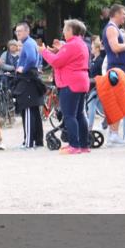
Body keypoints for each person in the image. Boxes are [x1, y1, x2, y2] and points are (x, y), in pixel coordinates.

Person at [39, 20, 91, 154]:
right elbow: (66, 57)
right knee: (80, 115)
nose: (63, 31)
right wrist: (59, 49)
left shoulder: (71, 45)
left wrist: (44, 51)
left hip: (70, 82)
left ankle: (74, 145)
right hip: (81, 81)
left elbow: (56, 62)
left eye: (65, 29)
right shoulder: (81, 43)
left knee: (69, 115)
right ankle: (84, 145)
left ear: (71, 31)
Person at [102, 4, 125, 146]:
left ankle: (113, 134)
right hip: (116, 68)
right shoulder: (111, 28)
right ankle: (114, 135)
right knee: (118, 101)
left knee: (119, 101)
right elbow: (115, 47)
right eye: (123, 13)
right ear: (115, 14)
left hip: (118, 67)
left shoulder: (113, 28)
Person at [14, 22, 45, 149]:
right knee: (34, 111)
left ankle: (29, 142)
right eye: (16, 31)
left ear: (27, 31)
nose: (17, 33)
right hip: (32, 79)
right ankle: (38, 141)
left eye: (20, 31)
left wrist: (23, 68)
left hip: (27, 80)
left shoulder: (27, 43)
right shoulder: (32, 42)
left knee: (27, 110)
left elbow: (32, 59)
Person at [86, 37, 106, 131]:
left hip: (97, 86)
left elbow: (100, 75)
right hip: (92, 86)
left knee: (92, 105)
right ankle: (106, 123)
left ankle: (90, 126)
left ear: (97, 49)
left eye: (92, 47)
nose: (91, 49)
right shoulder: (93, 60)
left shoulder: (100, 61)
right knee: (97, 107)